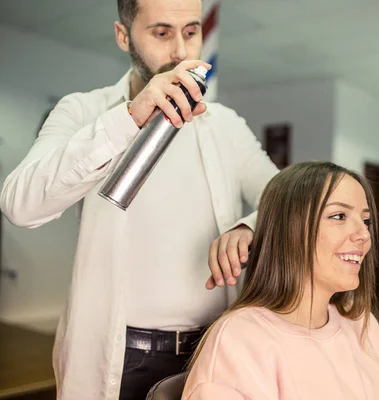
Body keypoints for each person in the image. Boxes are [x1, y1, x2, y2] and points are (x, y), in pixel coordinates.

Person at [0, 0, 278, 399]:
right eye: (162, 33)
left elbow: (283, 196)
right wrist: (128, 118)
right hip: (119, 357)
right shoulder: (83, 111)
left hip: (212, 351)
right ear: (123, 35)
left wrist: (247, 227)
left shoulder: (225, 126)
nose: (181, 52)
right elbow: (19, 205)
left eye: (191, 31)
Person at [186, 161, 379, 399]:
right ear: (289, 229)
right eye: (339, 216)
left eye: (366, 220)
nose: (363, 235)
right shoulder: (240, 340)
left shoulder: (361, 324)